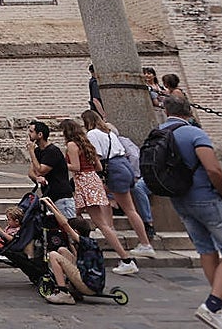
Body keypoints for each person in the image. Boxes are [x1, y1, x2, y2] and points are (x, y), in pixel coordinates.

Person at [159, 93, 222, 328]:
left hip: (180, 201)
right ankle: (213, 304)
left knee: (206, 251)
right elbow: (214, 169)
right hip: (207, 198)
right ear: (189, 112)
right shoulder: (193, 133)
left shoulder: (159, 133)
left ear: (166, 111)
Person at [59, 118, 139, 276]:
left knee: (102, 225)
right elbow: (99, 166)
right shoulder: (86, 143)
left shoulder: (71, 145)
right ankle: (78, 253)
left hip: (84, 182)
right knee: (74, 216)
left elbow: (75, 167)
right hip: (93, 179)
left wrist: (60, 163)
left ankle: (125, 258)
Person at [80, 110, 155, 256]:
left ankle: (145, 243)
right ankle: (110, 228)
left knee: (129, 209)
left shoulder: (92, 134)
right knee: (105, 198)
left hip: (113, 168)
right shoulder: (109, 133)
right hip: (124, 166)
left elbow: (98, 156)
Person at [39, 196, 107, 304]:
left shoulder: (84, 242)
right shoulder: (89, 242)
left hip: (88, 285)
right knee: (62, 250)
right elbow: (65, 222)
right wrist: (51, 203)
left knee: (53, 255)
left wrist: (49, 207)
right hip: (91, 281)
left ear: (76, 231)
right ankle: (71, 287)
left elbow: (65, 224)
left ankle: (63, 292)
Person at [26, 120, 76, 219]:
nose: (28, 134)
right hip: (49, 196)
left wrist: (31, 151)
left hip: (61, 196)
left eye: (31, 131)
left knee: (68, 225)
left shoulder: (52, 151)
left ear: (40, 134)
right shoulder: (37, 151)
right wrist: (37, 178)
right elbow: (31, 172)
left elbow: (41, 170)